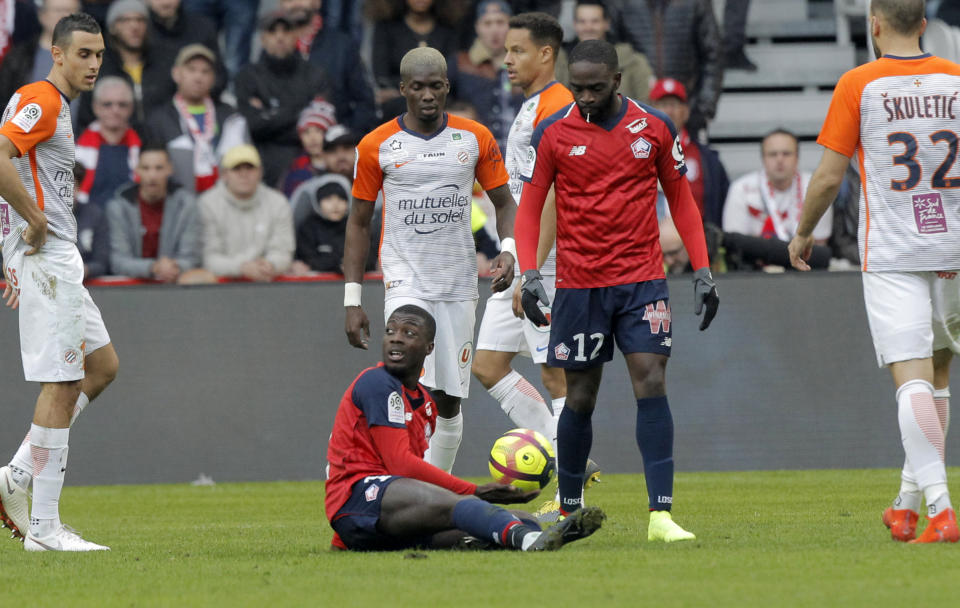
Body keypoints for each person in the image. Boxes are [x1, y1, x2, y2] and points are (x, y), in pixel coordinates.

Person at [515, 39, 719, 542]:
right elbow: (530, 205)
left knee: (650, 380)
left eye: (595, 87)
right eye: (577, 87)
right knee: (580, 395)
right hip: (580, 285)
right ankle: (568, 507)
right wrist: (530, 272)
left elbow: (682, 201)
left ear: (617, 82)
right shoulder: (553, 132)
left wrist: (703, 269)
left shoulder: (652, 128)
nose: (585, 96)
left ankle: (661, 516)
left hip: (641, 281)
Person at [788, 0, 959, 543]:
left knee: (910, 379)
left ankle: (942, 508)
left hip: (894, 253)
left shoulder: (859, 83)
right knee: (938, 376)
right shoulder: (958, 80)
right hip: (954, 249)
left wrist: (802, 232)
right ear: (926, 25)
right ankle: (906, 505)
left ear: (875, 25)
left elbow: (827, 176)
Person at [344, 47, 518, 474]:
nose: (427, 95)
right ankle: (405, 484)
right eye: (417, 87)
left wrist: (508, 250)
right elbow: (359, 222)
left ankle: (437, 487)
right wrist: (352, 298)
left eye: (435, 86)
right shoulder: (375, 145)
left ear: (447, 87)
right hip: (405, 278)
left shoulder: (474, 137)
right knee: (408, 382)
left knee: (448, 401)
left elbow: (504, 202)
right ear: (403, 89)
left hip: (457, 282)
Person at [326, 303, 605, 551]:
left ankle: (508, 536)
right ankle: (528, 543)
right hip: (357, 497)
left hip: (388, 517)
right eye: (390, 331)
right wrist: (473, 490)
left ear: (429, 348)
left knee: (526, 520)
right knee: (464, 505)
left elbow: (413, 475)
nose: (396, 338)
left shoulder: (424, 403)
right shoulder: (376, 382)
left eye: (409, 333)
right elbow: (401, 465)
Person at [472, 11, 597, 522]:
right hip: (522, 256)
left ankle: (571, 499)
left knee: (557, 375)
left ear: (546, 54)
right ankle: (568, 459)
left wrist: (536, 267)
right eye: (505, 51)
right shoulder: (532, 107)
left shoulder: (560, 107)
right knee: (487, 366)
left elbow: (558, 196)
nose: (506, 59)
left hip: (549, 261)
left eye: (517, 50)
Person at [0, 12, 117, 551]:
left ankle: (16, 476)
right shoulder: (41, 98)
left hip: (55, 255)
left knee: (100, 367)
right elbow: (0, 155)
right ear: (58, 52)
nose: (93, 63)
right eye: (84, 54)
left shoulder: (58, 106)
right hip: (47, 255)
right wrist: (34, 218)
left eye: (99, 54)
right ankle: (44, 528)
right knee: (63, 380)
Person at [234, 10, 331, 187]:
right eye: (272, 31)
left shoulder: (315, 73)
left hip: (307, 159)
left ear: (296, 35)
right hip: (262, 160)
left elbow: (321, 123)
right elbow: (252, 125)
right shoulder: (247, 76)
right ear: (262, 38)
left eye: (286, 31)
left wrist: (270, 114)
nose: (280, 37)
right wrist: (299, 112)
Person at [145, 43, 249, 195]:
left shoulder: (231, 117)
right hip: (179, 205)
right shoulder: (158, 120)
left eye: (205, 71)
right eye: (191, 69)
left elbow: (249, 161)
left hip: (227, 202)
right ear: (176, 74)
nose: (198, 77)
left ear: (213, 78)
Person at [617, 0, 723, 140]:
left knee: (689, 160)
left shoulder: (697, 3)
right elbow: (615, 52)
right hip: (637, 113)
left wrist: (703, 109)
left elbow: (713, 55)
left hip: (685, 111)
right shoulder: (624, 4)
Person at [198, 144, 296, 281]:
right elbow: (209, 258)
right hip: (220, 287)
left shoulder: (278, 202)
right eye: (236, 168)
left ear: (260, 172)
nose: (244, 174)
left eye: (250, 168)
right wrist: (241, 268)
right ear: (224, 174)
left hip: (267, 281)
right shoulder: (207, 204)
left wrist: (271, 264)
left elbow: (283, 251)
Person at [106, 144, 201, 282]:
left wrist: (173, 267)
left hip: (174, 284)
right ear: (137, 170)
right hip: (130, 288)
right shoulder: (118, 207)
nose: (152, 175)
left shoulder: (186, 205)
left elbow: (192, 258)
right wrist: (154, 267)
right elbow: (118, 261)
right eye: (146, 168)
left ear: (170, 169)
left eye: (159, 168)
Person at [284, 0, 377, 133]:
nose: (296, 4)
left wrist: (345, 134)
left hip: (337, 142)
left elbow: (365, 103)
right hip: (288, 143)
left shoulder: (342, 45)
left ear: (317, 3)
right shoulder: (273, 50)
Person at [649, 78, 728, 227]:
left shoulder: (707, 159)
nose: (669, 111)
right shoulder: (631, 154)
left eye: (674, 104)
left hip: (693, 243)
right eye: (662, 105)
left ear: (686, 112)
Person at [369, 0, 462, 119]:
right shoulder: (387, 27)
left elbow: (452, 72)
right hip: (399, 98)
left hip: (441, 97)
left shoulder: (448, 28)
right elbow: (381, 73)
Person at [454, 1, 522, 151]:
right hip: (475, 154)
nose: (494, 30)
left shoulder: (526, 64)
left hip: (519, 155)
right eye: (487, 23)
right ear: (477, 27)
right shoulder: (461, 64)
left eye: (500, 22)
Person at [554, 1, 652, 103]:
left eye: (595, 21)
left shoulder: (633, 62)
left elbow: (646, 106)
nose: (588, 27)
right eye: (582, 22)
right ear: (574, 24)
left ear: (607, 23)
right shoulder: (559, 61)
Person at [75, 76, 141, 207]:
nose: (115, 110)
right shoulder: (74, 146)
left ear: (131, 108)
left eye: (122, 104)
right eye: (107, 104)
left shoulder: (144, 144)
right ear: (95, 107)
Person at [280, 100, 337, 197]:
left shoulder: (341, 166)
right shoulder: (295, 170)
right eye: (306, 132)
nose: (312, 138)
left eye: (318, 131)